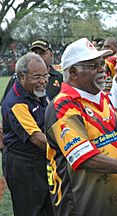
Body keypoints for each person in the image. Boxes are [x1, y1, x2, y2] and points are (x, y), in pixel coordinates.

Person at [45, 38, 117, 216]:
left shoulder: (103, 98)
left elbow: (116, 148)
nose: (101, 69)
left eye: (101, 63)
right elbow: (84, 158)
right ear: (73, 72)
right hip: (86, 207)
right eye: (93, 65)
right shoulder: (63, 105)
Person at [1, 52, 53, 216]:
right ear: (21, 76)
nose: (43, 81)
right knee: (30, 210)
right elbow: (37, 139)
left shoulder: (38, 92)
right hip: (24, 165)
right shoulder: (16, 102)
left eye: (45, 76)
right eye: (37, 77)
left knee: (50, 208)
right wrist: (68, 148)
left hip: (42, 161)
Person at [0, 39, 63, 104]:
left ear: (51, 55)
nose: (38, 56)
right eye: (35, 53)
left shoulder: (60, 78)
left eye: (42, 53)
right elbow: (6, 103)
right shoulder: (18, 77)